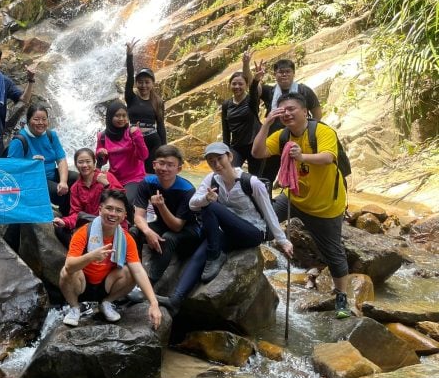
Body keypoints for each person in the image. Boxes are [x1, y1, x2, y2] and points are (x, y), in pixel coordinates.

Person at [251, 92, 352, 318]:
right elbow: (257, 152)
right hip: (294, 196)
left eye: (291, 109)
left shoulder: (322, 131)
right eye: (282, 111)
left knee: (333, 252)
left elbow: (328, 157)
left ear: (305, 111)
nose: (286, 114)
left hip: (325, 206)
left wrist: (302, 157)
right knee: (262, 225)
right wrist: (266, 123)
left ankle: (342, 297)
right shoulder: (283, 136)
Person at [162, 142, 294, 313]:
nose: (216, 164)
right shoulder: (211, 179)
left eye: (219, 159)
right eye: (211, 161)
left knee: (210, 207)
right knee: (201, 253)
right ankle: (176, 299)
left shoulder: (251, 182)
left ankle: (215, 254)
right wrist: (206, 198)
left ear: (230, 157)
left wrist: (283, 241)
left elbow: (269, 213)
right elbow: (193, 204)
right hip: (228, 233)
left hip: (252, 232)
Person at [60, 189, 162, 329]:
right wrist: (91, 256)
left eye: (118, 210)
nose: (113, 214)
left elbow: (138, 271)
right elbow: (69, 266)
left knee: (131, 272)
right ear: (100, 209)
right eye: (109, 208)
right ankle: (74, 308)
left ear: (125, 215)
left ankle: (106, 303)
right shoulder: (84, 232)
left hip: (106, 285)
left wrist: (154, 303)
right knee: (66, 272)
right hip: (81, 284)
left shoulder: (126, 238)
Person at [132, 144, 201, 284]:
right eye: (161, 163)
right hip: (163, 224)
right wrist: (148, 232)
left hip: (189, 231)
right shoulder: (147, 183)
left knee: (168, 237)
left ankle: (150, 282)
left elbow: (177, 227)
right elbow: (138, 216)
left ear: (179, 169)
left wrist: (161, 206)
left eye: (170, 165)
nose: (164, 168)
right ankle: (134, 273)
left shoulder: (187, 190)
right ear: (154, 164)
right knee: (135, 231)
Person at [253, 57, 322, 182]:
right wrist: (255, 78)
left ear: (293, 73)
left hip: (299, 139)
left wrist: (311, 130)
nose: (284, 74)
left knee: (301, 174)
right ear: (275, 74)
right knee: (266, 176)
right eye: (281, 72)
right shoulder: (270, 91)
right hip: (275, 140)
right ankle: (265, 200)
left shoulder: (304, 91)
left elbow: (317, 112)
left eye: (287, 71)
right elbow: (254, 90)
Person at [7, 104, 76, 216]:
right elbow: (11, 167)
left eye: (44, 119)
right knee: (58, 193)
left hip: (51, 173)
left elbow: (61, 159)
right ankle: (62, 216)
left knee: (76, 179)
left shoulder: (51, 135)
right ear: (28, 120)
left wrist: (63, 181)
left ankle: (70, 216)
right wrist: (30, 163)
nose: (41, 123)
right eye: (36, 119)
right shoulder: (19, 140)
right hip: (32, 179)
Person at [52, 148, 123, 247]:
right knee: (62, 228)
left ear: (94, 163)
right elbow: (75, 213)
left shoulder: (107, 176)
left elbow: (122, 201)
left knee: (83, 219)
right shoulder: (75, 188)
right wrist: (65, 222)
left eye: (88, 161)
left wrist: (107, 185)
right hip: (91, 225)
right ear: (76, 165)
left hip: (111, 222)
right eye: (80, 162)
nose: (84, 165)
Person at [95, 100, 149, 206]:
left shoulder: (132, 132)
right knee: (102, 201)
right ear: (110, 117)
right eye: (117, 115)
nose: (121, 119)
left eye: (124, 115)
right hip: (114, 178)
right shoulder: (102, 136)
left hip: (135, 177)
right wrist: (100, 153)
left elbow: (143, 156)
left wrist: (137, 135)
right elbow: (103, 161)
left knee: (124, 201)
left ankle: (129, 222)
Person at [124, 39, 166, 173]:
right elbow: (130, 77)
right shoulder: (131, 98)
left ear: (152, 83)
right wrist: (129, 55)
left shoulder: (158, 101)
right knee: (133, 172)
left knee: (151, 173)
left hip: (153, 141)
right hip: (133, 141)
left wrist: (164, 149)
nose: (143, 85)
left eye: (147, 82)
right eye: (140, 82)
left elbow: (160, 125)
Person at [221, 52, 262, 174]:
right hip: (237, 146)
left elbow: (255, 92)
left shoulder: (251, 101)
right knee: (230, 173)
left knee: (255, 179)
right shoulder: (226, 104)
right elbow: (226, 130)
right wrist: (226, 149)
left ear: (245, 86)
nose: (237, 86)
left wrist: (255, 80)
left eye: (240, 84)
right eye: (234, 83)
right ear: (230, 85)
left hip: (255, 145)